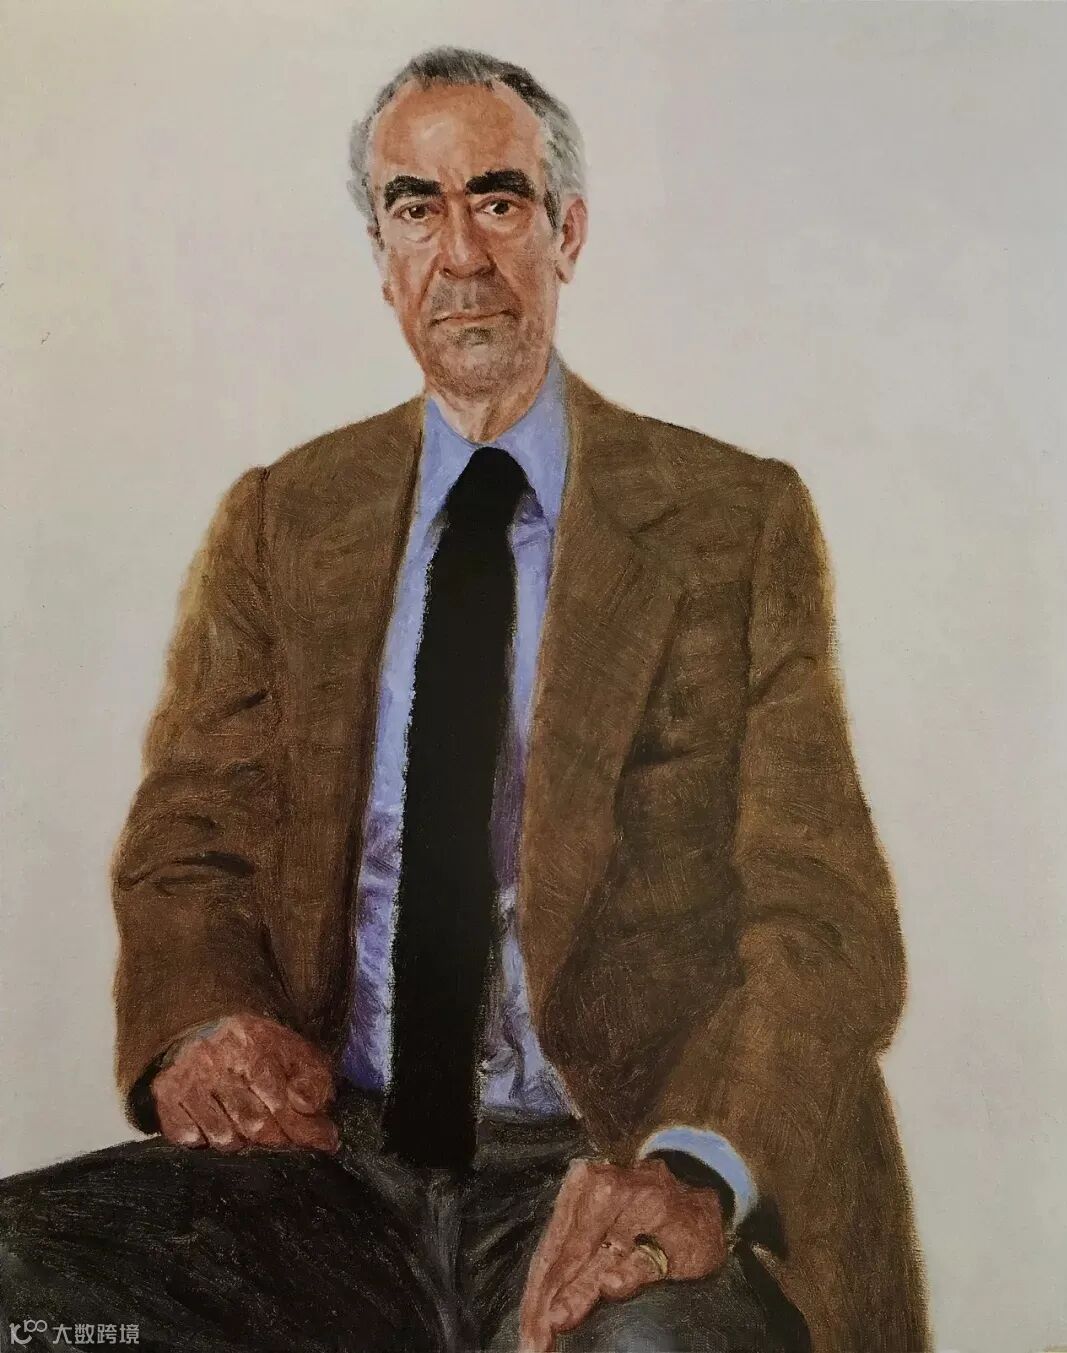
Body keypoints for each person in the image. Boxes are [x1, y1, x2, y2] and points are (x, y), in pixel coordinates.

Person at [0, 46, 929, 1353]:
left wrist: (693, 1165)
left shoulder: (733, 522)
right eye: (415, 209)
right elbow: (184, 843)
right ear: (381, 254)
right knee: (22, 1281)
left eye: (498, 201)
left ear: (567, 234)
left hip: (605, 1163)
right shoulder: (284, 518)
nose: (461, 255)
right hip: (334, 1164)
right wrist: (202, 1021)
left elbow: (821, 920)